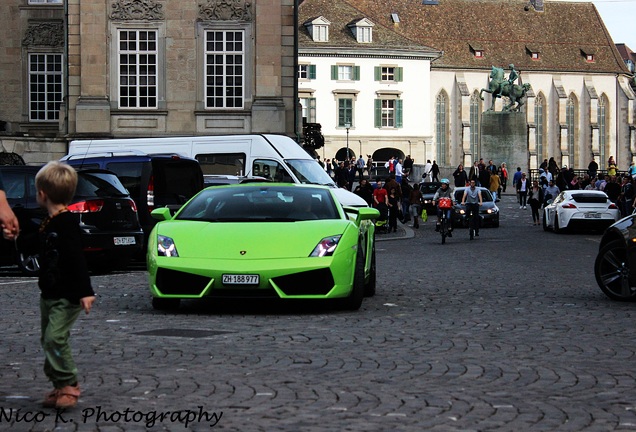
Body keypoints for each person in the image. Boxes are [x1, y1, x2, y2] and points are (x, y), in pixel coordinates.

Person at [33, 161, 95, 409]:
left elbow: (77, 259)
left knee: (54, 338)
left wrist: (85, 292)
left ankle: (69, 384)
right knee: (48, 339)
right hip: (49, 293)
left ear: (41, 194)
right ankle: (58, 384)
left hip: (67, 296)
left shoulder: (67, 224)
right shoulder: (49, 221)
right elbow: (38, 245)